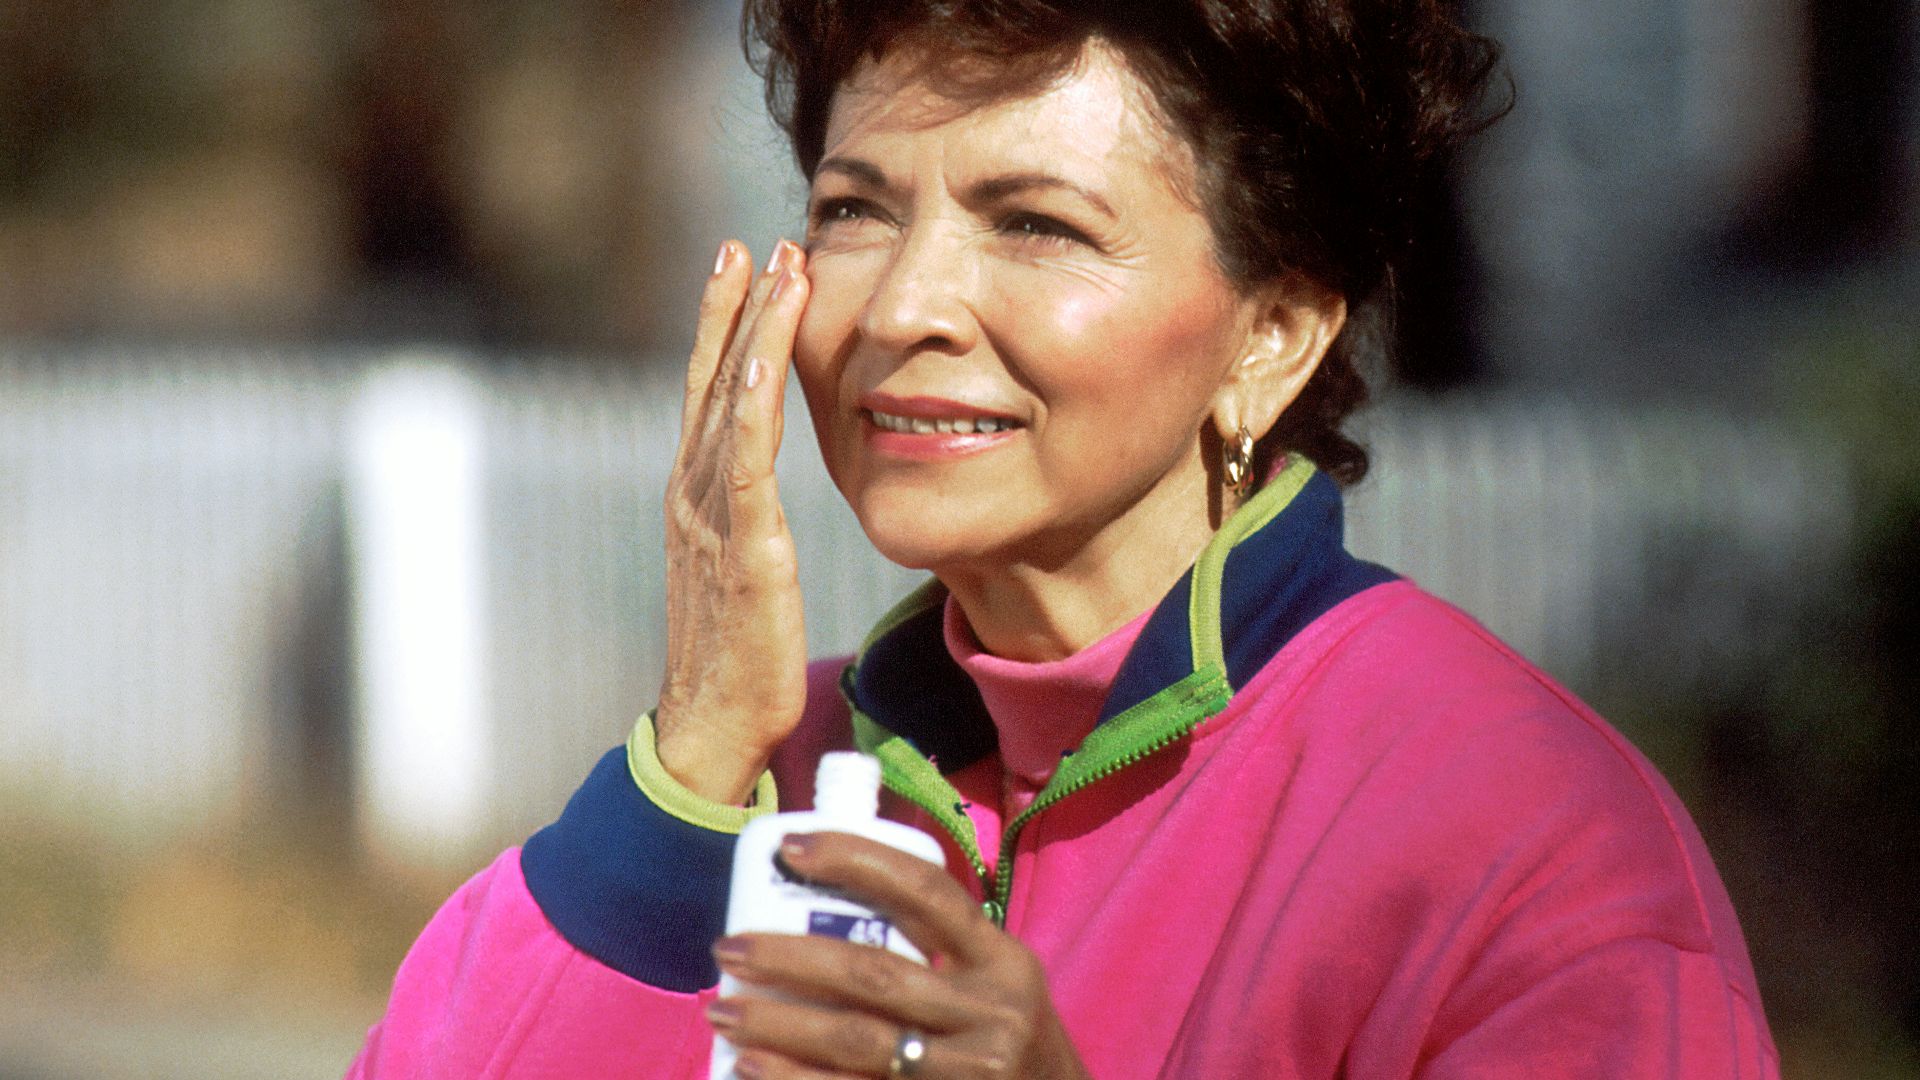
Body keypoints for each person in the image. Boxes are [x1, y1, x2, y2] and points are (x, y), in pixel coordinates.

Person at [349, 0, 1781, 1076]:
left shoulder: (1523, 843)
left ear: (1277, 333)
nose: (905, 305)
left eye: (1035, 224)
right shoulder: (754, 781)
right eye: (853, 209)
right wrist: (693, 762)